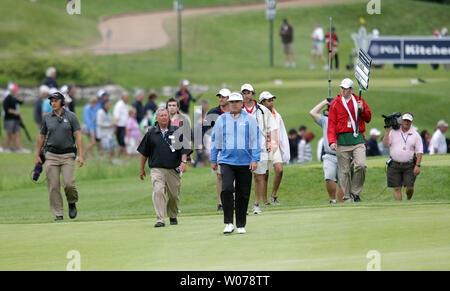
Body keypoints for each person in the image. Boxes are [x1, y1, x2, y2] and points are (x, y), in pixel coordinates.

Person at [210, 92, 260, 234]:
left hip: (245, 161)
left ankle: (241, 224)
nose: (234, 104)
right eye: (232, 102)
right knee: (226, 189)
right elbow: (216, 140)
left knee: (243, 193)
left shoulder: (249, 119)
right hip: (226, 160)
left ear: (241, 103)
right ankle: (228, 222)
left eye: (237, 101)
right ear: (229, 103)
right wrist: (213, 159)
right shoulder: (222, 119)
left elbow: (256, 140)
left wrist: (254, 159)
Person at [138, 108, 192, 227]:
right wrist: (141, 169)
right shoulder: (151, 133)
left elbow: (185, 148)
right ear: (157, 118)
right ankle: (160, 219)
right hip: (157, 169)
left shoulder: (176, 131)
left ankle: (172, 215)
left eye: (165, 115)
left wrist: (184, 161)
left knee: (173, 195)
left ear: (169, 117)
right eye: (161, 115)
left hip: (173, 168)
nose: (163, 117)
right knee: (158, 191)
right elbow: (144, 153)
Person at [35, 90, 84, 221]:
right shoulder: (47, 118)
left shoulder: (71, 116)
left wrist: (81, 155)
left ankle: (72, 202)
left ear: (62, 102)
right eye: (51, 101)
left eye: (55, 100)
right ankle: (58, 214)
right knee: (53, 185)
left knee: (69, 183)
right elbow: (41, 136)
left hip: (68, 155)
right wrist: (37, 155)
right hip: (51, 155)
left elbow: (78, 135)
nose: (53, 103)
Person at [327, 78, 372, 203]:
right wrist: (331, 141)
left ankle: (355, 192)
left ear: (351, 89)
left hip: (358, 139)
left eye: (346, 89)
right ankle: (347, 198)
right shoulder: (335, 103)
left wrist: (362, 109)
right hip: (342, 141)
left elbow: (368, 118)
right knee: (344, 171)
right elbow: (331, 124)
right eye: (342, 88)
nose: (343, 91)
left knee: (361, 165)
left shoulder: (359, 100)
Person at [241, 83, 276, 214]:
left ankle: (256, 204)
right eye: (244, 93)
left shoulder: (262, 109)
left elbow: (270, 128)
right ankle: (243, 205)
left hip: (260, 147)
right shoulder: (239, 110)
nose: (246, 95)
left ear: (253, 94)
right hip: (243, 149)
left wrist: (269, 143)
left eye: (248, 92)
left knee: (259, 177)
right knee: (244, 178)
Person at [259, 91, 290, 205]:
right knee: (265, 174)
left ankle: (273, 195)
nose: (271, 103)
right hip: (262, 147)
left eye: (272, 100)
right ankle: (265, 200)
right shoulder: (257, 114)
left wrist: (284, 150)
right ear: (262, 102)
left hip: (274, 147)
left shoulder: (277, 115)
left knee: (279, 170)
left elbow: (281, 132)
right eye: (269, 100)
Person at [310, 99, 344, 203]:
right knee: (329, 177)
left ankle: (342, 203)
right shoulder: (326, 120)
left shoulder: (344, 120)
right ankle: (332, 200)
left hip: (343, 154)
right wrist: (325, 102)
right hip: (329, 155)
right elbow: (312, 112)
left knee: (342, 182)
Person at [382, 113, 423, 200]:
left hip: (409, 165)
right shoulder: (393, 132)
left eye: (408, 121)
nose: (406, 122)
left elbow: (419, 151)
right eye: (405, 120)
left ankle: (408, 199)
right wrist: (387, 131)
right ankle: (399, 208)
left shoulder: (415, 135)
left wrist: (418, 165)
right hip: (394, 164)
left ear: (411, 122)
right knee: (397, 188)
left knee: (410, 187)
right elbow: (385, 144)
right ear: (401, 120)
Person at [203, 88, 230, 211]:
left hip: (234, 147)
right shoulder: (213, 112)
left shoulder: (235, 111)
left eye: (223, 97)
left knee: (233, 175)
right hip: (218, 148)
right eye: (219, 97)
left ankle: (233, 201)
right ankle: (221, 203)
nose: (221, 99)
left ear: (229, 98)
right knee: (220, 176)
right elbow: (205, 131)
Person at [2, 82, 30, 153]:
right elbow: (6, 109)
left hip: (15, 119)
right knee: (8, 134)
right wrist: (15, 112)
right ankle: (6, 148)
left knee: (17, 133)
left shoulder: (14, 98)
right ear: (11, 90)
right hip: (9, 119)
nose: (16, 91)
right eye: (15, 90)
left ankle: (20, 149)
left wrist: (19, 97)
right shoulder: (7, 98)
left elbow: (21, 102)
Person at [113, 91, 130, 158]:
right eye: (127, 97)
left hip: (125, 126)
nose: (128, 99)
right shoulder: (119, 105)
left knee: (122, 143)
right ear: (124, 97)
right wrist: (115, 127)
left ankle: (118, 157)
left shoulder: (125, 105)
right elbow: (115, 117)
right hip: (120, 126)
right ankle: (126, 157)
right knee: (122, 142)